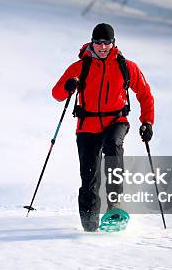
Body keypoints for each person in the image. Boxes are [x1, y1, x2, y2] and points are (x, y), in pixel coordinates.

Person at [52, 23, 155, 232]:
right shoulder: (80, 67)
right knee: (89, 178)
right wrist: (68, 87)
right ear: (92, 42)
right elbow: (57, 94)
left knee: (113, 145)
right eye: (98, 42)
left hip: (116, 121)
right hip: (87, 126)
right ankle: (90, 225)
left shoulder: (126, 66)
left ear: (113, 43)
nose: (102, 46)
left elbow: (145, 94)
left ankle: (115, 207)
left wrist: (147, 122)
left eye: (106, 42)